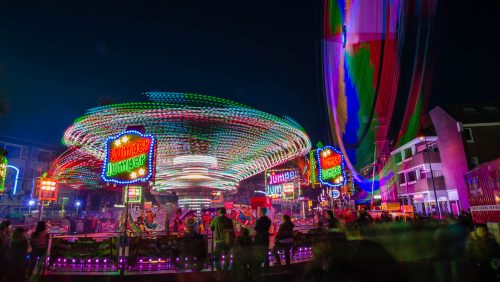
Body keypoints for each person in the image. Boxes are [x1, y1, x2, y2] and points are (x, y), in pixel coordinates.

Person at [210, 207, 235, 272]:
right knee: (227, 257)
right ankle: (225, 270)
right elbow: (232, 231)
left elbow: (211, 228)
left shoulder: (216, 219)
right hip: (227, 242)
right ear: (225, 213)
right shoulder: (229, 220)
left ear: (219, 212)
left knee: (217, 257)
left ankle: (219, 270)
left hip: (219, 241)